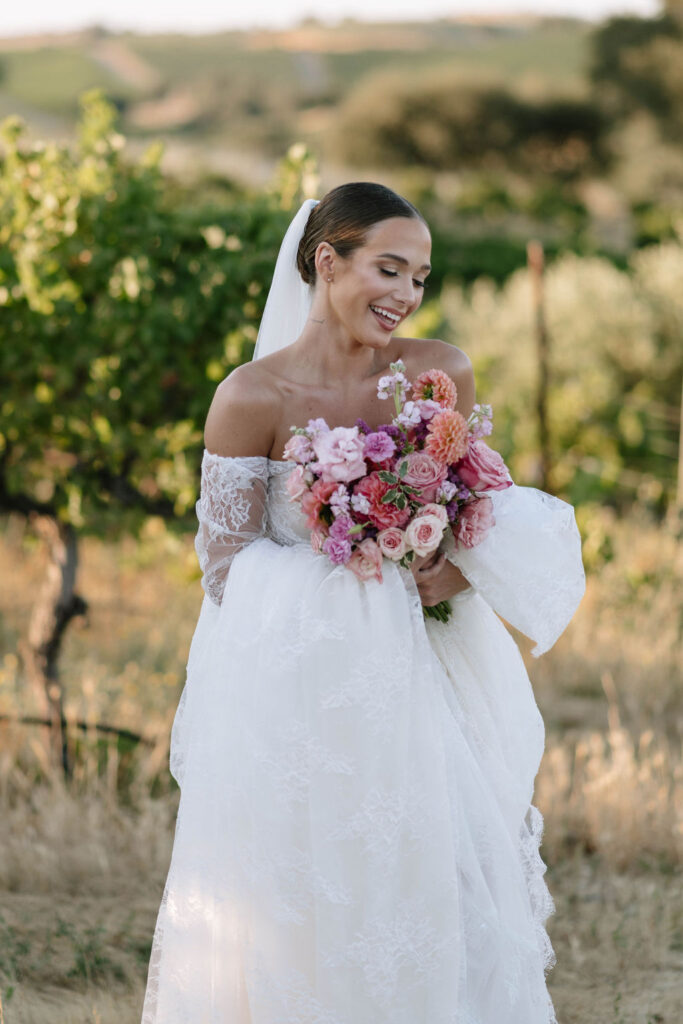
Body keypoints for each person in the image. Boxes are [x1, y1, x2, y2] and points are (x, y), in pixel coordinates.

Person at [141, 183, 585, 1024]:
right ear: (325, 261)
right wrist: (345, 574)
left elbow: (474, 504)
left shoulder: (437, 372)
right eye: (388, 269)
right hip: (306, 687)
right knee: (309, 876)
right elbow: (226, 563)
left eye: (419, 277)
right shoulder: (251, 398)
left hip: (431, 667)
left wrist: (452, 567)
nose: (406, 295)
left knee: (448, 864)